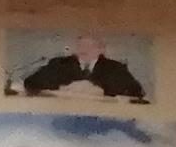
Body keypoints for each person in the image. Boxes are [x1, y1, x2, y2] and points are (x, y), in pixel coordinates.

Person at [19, 33, 149, 101]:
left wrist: (101, 91)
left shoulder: (115, 68)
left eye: (90, 46)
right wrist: (63, 88)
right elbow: (30, 83)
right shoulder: (60, 64)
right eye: (80, 45)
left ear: (101, 49)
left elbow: (136, 92)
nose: (84, 50)